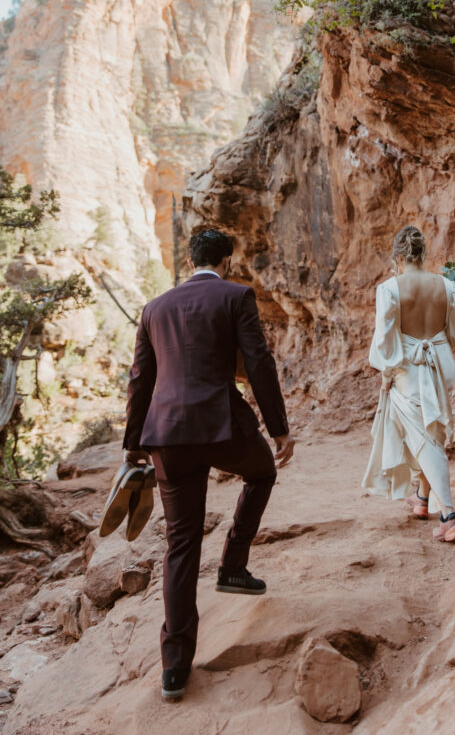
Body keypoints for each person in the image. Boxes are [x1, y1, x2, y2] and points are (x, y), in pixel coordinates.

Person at [123, 228, 294, 702]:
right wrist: (278, 427)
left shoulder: (154, 308)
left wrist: (133, 445)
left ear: (191, 259)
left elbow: (140, 378)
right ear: (225, 261)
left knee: (180, 544)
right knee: (262, 473)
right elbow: (258, 361)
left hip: (167, 437)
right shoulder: (235, 295)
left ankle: (174, 669)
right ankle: (233, 566)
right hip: (223, 427)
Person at [362, 224, 455, 542]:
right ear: (424, 254)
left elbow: (384, 343)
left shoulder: (390, 289)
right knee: (429, 430)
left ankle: (449, 516)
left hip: (409, 371)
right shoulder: (447, 287)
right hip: (438, 367)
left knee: (426, 440)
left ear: (398, 255)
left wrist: (386, 375)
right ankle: (422, 499)